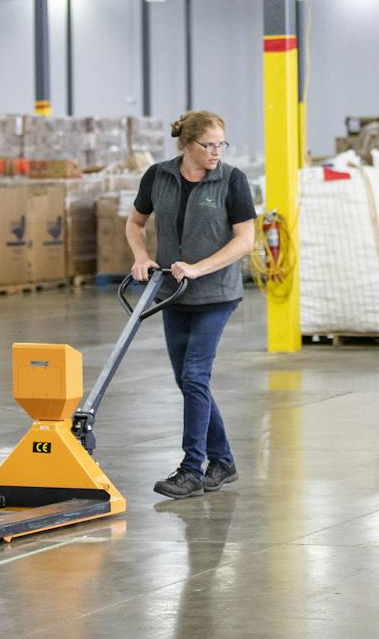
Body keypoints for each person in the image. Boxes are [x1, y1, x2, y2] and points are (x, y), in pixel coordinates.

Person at [127, 110, 256, 500]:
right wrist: (140, 256)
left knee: (195, 376)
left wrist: (200, 268)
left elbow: (245, 240)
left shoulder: (232, 180)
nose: (216, 152)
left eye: (221, 144)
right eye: (209, 145)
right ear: (187, 145)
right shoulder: (158, 177)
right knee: (187, 380)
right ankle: (223, 461)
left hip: (216, 294)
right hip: (173, 293)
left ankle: (191, 469)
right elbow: (135, 223)